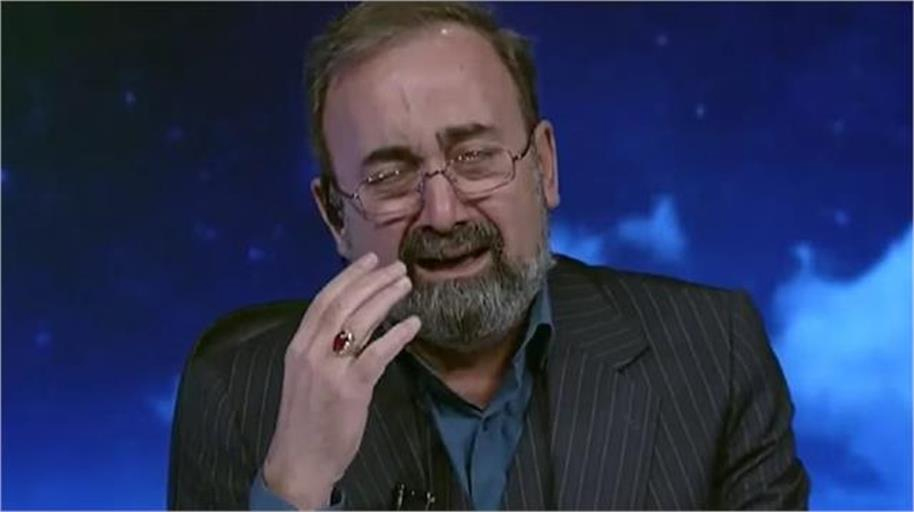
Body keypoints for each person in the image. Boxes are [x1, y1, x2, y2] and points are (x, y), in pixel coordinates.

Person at [167, 2, 810, 509]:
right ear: (336, 215)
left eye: (475, 157)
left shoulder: (714, 353)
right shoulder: (237, 389)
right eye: (389, 177)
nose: (443, 213)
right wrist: (295, 485)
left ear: (545, 168)